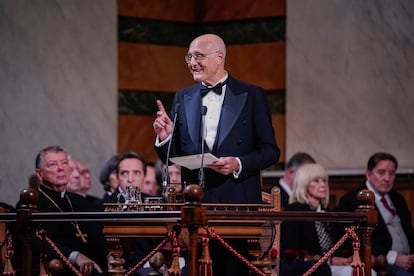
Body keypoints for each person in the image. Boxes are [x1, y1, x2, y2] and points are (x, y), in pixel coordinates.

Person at [153, 33, 280, 275]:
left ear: (219, 57)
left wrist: (238, 163)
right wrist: (165, 137)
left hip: (237, 208)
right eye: (189, 57)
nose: (192, 62)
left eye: (199, 56)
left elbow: (270, 151)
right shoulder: (183, 96)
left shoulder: (252, 95)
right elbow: (172, 157)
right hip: (196, 204)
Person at [17, 145, 111, 275]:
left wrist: (109, 255)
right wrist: (75, 256)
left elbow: (98, 233)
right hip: (61, 267)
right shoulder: (31, 204)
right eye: (52, 164)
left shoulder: (79, 201)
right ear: (39, 174)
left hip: (97, 265)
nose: (61, 168)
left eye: (64, 163)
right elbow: (34, 242)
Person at [337, 152, 414, 275]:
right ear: (368, 174)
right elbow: (354, 240)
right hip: (381, 262)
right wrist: (392, 257)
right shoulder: (352, 200)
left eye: (392, 173)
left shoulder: (398, 198)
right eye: (381, 172)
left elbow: (409, 231)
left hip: (409, 259)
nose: (387, 178)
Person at [281, 163, 353, 276]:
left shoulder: (327, 212)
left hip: (331, 266)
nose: (323, 185)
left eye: (324, 181)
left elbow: (338, 245)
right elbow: (292, 252)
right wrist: (329, 261)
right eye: (316, 181)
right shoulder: (294, 211)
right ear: (304, 184)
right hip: (310, 267)